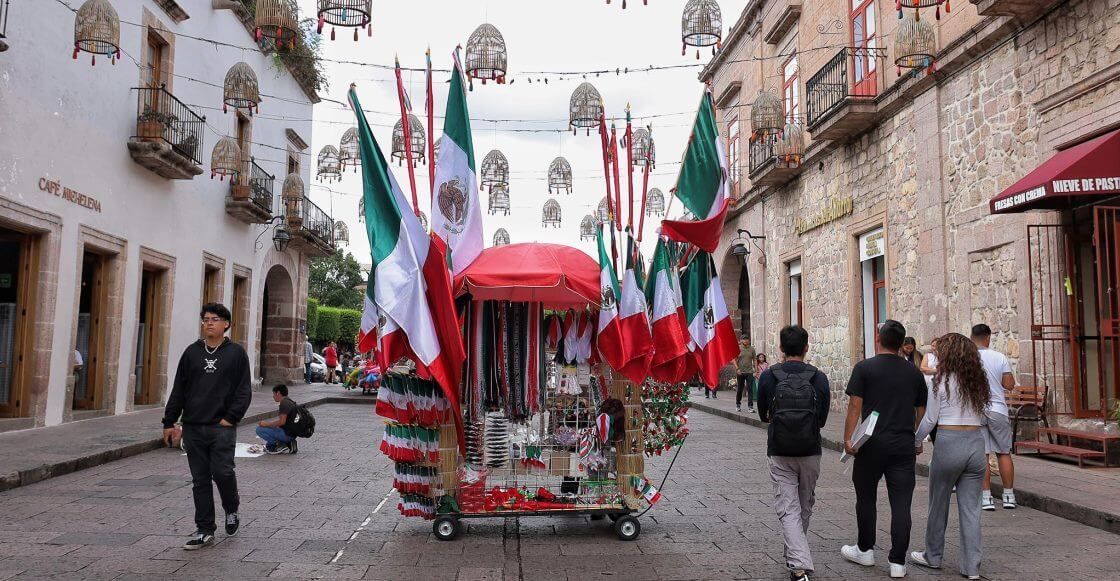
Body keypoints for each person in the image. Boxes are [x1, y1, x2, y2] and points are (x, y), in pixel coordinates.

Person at [161, 303, 252, 550]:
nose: (209, 323)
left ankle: (231, 508)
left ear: (226, 324)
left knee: (223, 473)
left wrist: (230, 418)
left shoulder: (236, 354)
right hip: (193, 427)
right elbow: (179, 388)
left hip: (221, 427)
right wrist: (169, 421)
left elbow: (244, 391)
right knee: (200, 480)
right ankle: (205, 530)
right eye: (205, 319)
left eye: (214, 319)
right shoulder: (192, 352)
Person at [841, 319, 927, 578]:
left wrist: (848, 439)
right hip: (902, 444)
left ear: (878, 339)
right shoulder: (914, 373)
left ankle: (865, 550)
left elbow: (855, 406)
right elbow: (921, 410)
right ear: (903, 344)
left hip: (871, 444)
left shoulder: (864, 368)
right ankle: (898, 563)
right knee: (901, 503)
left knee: (866, 497)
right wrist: (916, 437)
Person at [910, 333, 988, 580]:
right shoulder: (976, 381)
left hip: (949, 440)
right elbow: (984, 416)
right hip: (976, 443)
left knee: (938, 503)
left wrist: (915, 440)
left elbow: (930, 419)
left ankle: (933, 556)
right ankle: (972, 566)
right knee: (971, 509)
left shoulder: (940, 382)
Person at [757, 326, 831, 581]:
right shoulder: (819, 378)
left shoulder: (768, 377)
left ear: (781, 349)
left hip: (779, 450)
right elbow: (821, 419)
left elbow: (762, 413)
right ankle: (796, 559)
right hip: (811, 450)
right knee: (804, 505)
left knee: (788, 508)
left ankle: (798, 563)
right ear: (806, 348)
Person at [971, 324, 1017, 510]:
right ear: (988, 338)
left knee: (983, 454)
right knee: (1003, 452)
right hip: (997, 408)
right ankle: (1009, 496)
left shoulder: (969, 358)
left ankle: (986, 497)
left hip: (976, 409)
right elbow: (1009, 385)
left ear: (972, 337)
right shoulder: (1000, 357)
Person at [256, 384, 299, 455]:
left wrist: (267, 424)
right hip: (291, 433)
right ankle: (287, 442)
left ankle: (281, 443)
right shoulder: (289, 401)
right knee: (269, 442)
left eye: (273, 394)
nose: (273, 396)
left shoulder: (284, 403)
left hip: (287, 435)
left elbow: (282, 422)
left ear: (278, 393)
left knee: (259, 429)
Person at [735, 336, 758, 413]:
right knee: (740, 389)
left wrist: (756, 370)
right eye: (743, 339)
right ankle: (738, 404)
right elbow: (733, 359)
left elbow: (755, 359)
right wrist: (737, 369)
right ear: (741, 340)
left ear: (749, 340)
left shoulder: (752, 349)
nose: (745, 341)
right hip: (740, 372)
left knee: (750, 389)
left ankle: (750, 406)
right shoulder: (737, 348)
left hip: (749, 372)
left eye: (747, 339)